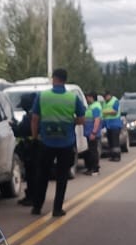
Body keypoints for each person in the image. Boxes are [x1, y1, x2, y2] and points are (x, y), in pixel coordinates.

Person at [29, 68, 86, 217]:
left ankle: (37, 207)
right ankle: (57, 208)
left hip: (46, 142)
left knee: (42, 176)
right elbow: (81, 120)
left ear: (54, 78)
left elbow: (34, 119)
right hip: (66, 144)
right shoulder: (72, 98)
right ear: (65, 80)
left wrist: (35, 137)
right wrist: (69, 121)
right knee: (62, 178)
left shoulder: (42, 96)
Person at [14, 91, 41, 205]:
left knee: (32, 174)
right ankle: (34, 195)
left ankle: (32, 197)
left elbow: (21, 131)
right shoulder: (39, 115)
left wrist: (14, 126)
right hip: (38, 149)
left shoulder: (29, 117)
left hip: (31, 150)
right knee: (35, 174)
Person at [83, 92, 104, 174]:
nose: (86, 99)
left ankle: (95, 169)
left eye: (87, 97)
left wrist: (94, 132)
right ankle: (91, 168)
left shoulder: (96, 107)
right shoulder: (91, 106)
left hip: (93, 133)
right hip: (89, 132)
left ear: (91, 97)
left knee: (93, 151)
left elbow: (97, 120)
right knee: (91, 150)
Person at [101, 91, 122, 162]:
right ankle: (112, 156)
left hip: (115, 124)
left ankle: (117, 156)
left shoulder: (115, 100)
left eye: (105, 96)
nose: (105, 98)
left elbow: (114, 111)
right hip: (108, 125)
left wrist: (104, 112)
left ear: (109, 95)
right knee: (110, 142)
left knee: (115, 142)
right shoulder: (104, 103)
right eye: (104, 97)